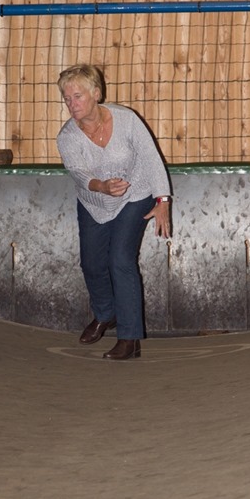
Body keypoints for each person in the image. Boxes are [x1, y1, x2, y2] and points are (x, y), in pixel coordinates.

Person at [56, 64, 172, 361]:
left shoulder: (127, 120)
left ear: (96, 93)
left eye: (78, 96)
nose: (72, 104)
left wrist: (162, 200)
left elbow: (151, 158)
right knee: (92, 264)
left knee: (120, 259)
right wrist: (102, 187)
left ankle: (130, 339)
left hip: (135, 194)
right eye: (67, 98)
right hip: (94, 202)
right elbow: (79, 174)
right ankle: (106, 314)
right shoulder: (68, 136)